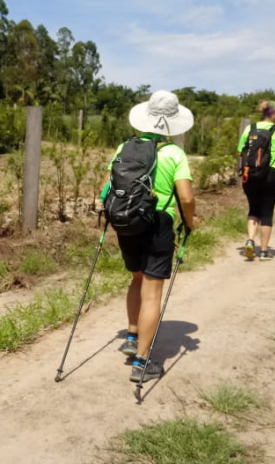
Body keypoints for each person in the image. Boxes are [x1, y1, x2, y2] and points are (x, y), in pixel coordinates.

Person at [103, 90, 195, 382]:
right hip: (158, 224)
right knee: (153, 292)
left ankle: (131, 336)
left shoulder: (124, 148)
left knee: (137, 278)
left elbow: (107, 188)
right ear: (172, 123)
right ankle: (143, 362)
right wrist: (190, 222)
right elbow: (186, 197)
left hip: (127, 221)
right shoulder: (174, 153)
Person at [238, 100, 275, 261]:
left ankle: (250, 240)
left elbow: (240, 151)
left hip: (250, 174)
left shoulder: (250, 128)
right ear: (273, 113)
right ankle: (263, 251)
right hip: (272, 173)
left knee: (253, 209)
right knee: (267, 211)